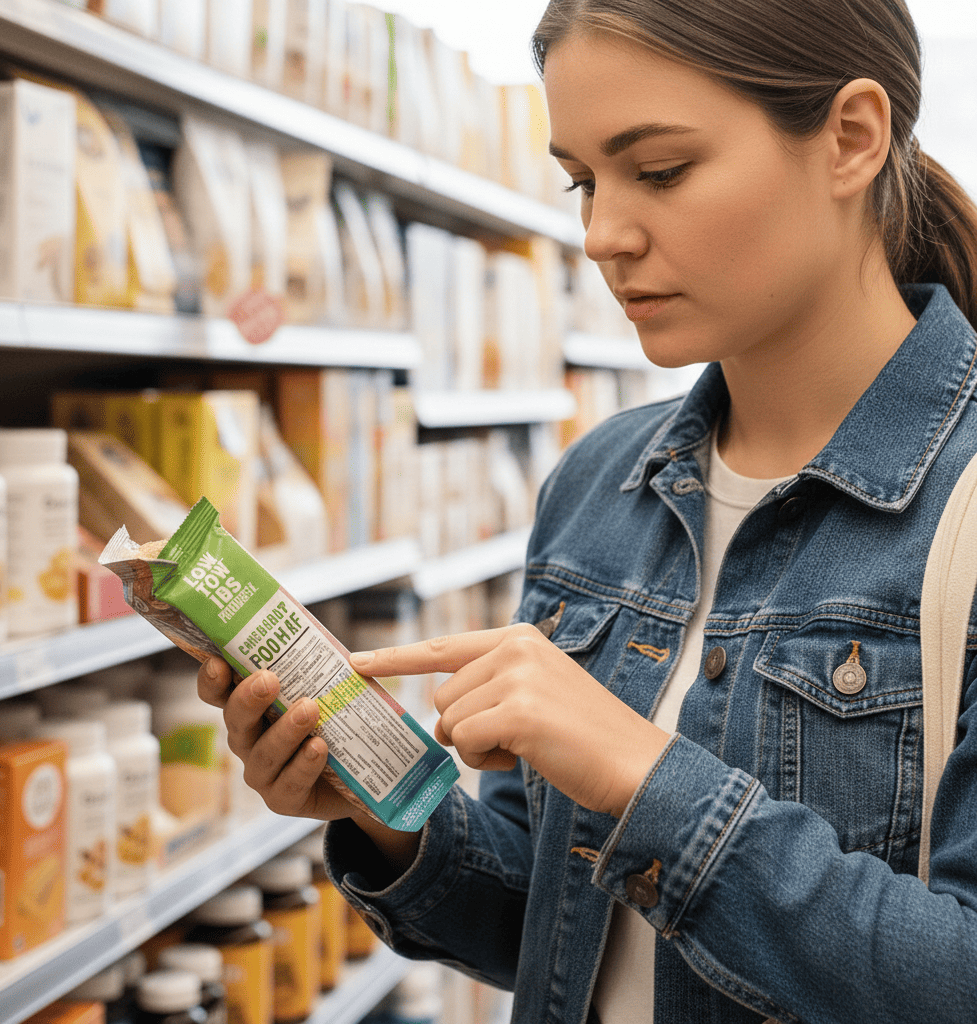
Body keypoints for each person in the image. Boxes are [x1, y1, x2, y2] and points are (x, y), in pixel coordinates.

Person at [197, 1, 977, 1020]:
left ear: (849, 137)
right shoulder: (599, 482)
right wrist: (384, 814)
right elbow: (547, 920)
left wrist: (643, 774)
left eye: (657, 170)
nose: (601, 234)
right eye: (580, 181)